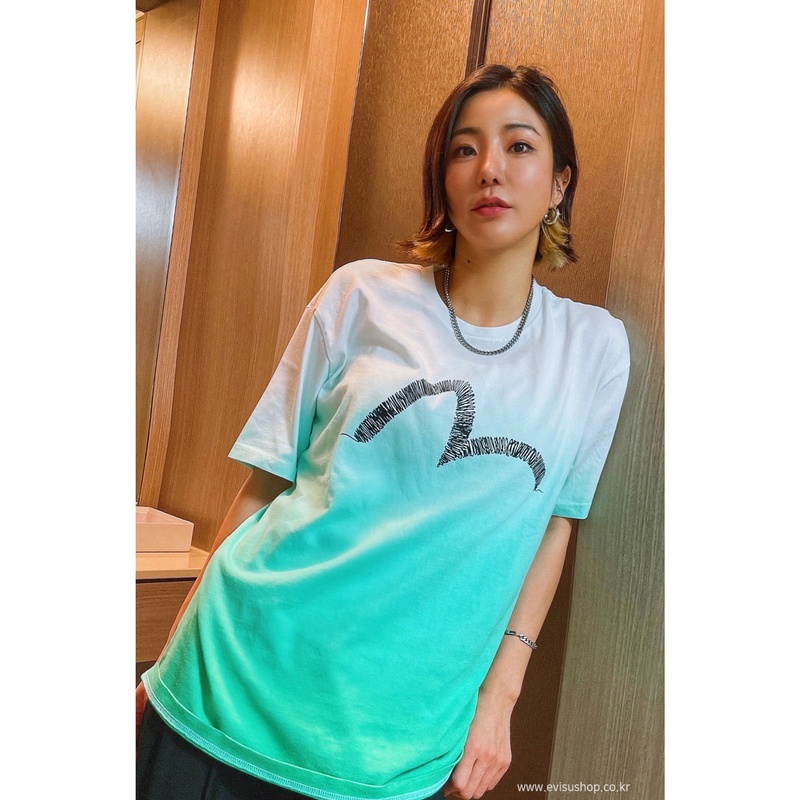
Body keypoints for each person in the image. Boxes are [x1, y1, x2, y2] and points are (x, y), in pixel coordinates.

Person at [136, 63, 630, 800]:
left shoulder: (594, 348)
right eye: (464, 149)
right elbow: (265, 486)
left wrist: (500, 699)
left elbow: (557, 523)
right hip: (227, 683)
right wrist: (169, 662)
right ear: (442, 179)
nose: (490, 168)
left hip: (397, 743)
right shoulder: (360, 294)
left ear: (560, 181)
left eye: (520, 145)